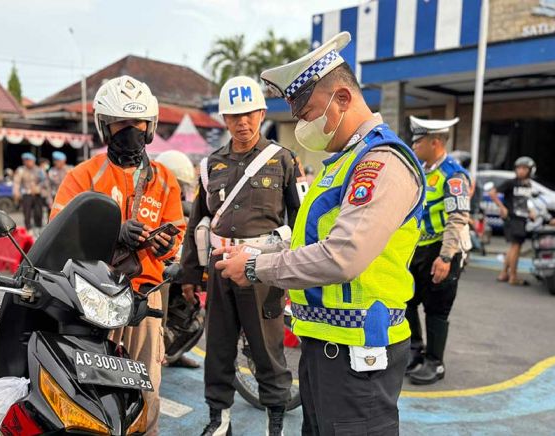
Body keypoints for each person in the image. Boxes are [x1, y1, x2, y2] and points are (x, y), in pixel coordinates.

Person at [214, 32, 425, 435]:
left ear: (342, 98)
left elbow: (343, 254)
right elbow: (310, 240)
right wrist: (262, 247)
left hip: (358, 352)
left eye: (307, 113)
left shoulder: (380, 162)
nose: (302, 126)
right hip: (326, 344)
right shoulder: (342, 162)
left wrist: (257, 266)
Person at [51, 75, 185, 435]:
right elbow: (59, 232)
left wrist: (165, 244)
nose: (129, 131)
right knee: (89, 386)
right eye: (120, 124)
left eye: (137, 124)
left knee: (146, 386)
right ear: (105, 127)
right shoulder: (83, 176)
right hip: (91, 298)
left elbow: (177, 232)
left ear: (150, 127)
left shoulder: (165, 180)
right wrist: (112, 233)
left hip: (144, 300)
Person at [180, 75, 303, 436]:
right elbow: (197, 221)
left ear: (262, 112)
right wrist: (189, 274)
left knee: (267, 349)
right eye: (234, 116)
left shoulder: (282, 160)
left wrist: (296, 271)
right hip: (219, 269)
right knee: (218, 346)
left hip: (262, 270)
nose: (243, 122)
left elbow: (300, 218)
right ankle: (220, 419)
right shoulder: (209, 166)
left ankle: (274, 420)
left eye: (249, 114)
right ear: (223, 119)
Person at [405, 116, 471, 385]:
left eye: (418, 141)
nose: (413, 145)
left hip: (443, 249)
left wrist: (445, 258)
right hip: (417, 248)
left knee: (436, 308)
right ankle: (414, 349)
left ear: (435, 143)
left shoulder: (453, 175)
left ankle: (435, 361)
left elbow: (457, 218)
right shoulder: (420, 169)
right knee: (407, 300)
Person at [155, 150, 202, 370]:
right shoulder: (154, 203)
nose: (180, 191)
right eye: (177, 184)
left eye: (183, 186)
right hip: (158, 273)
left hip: (179, 267)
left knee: (192, 309)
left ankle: (174, 353)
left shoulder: (185, 207)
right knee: (158, 317)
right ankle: (157, 354)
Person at [489, 156, 536, 285]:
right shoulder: (511, 183)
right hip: (513, 218)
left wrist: (531, 211)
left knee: (514, 247)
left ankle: (504, 273)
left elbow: (527, 201)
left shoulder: (528, 185)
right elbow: (492, 193)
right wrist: (502, 207)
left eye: (524, 168)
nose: (521, 171)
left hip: (522, 219)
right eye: (519, 168)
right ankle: (513, 276)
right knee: (516, 246)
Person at [13, 152, 47, 230]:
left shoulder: (39, 170)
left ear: (33, 161)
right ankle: (28, 229)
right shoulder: (21, 170)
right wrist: (16, 191)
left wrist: (38, 187)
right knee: (27, 213)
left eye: (29, 160)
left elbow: (44, 182)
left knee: (38, 213)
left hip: (37, 194)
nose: (27, 162)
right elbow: (16, 182)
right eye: (25, 161)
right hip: (26, 194)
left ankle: (39, 228)